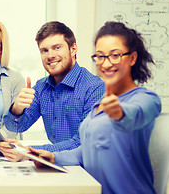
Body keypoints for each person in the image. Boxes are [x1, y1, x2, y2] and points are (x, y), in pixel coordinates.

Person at [28, 21, 161, 194]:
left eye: (115, 55)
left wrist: (120, 113)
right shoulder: (99, 105)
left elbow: (135, 115)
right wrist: (54, 157)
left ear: (132, 58)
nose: (105, 64)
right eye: (100, 56)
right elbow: (87, 151)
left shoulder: (146, 99)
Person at [0, 21, 105, 161]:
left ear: (73, 49)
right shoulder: (42, 87)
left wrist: (29, 152)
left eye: (57, 47)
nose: (50, 55)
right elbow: (16, 126)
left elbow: (82, 142)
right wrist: (17, 108)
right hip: (56, 164)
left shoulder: (94, 87)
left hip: (87, 167)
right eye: (44, 50)